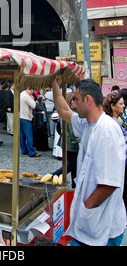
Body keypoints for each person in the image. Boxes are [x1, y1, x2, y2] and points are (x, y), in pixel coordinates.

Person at [52, 78, 126, 246]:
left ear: (88, 100)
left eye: (76, 99)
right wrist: (54, 84)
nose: (73, 104)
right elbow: (64, 111)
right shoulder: (88, 124)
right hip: (89, 226)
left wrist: (87, 207)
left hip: (101, 228)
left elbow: (109, 183)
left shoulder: (107, 131)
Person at [103, 91, 127, 212]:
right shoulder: (111, 123)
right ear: (112, 105)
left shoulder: (116, 120)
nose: (124, 106)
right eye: (121, 103)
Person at [52, 92, 80, 188]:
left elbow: (60, 128)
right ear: (71, 101)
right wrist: (79, 142)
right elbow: (74, 132)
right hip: (72, 144)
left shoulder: (65, 112)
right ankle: (53, 175)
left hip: (67, 142)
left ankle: (74, 186)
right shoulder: (72, 114)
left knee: (74, 167)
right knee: (72, 165)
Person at [19, 88, 41, 157]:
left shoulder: (20, 94)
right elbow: (34, 106)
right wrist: (32, 99)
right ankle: (32, 152)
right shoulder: (26, 96)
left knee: (21, 135)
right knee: (29, 135)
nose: (32, 92)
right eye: (31, 91)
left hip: (20, 116)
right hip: (26, 117)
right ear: (27, 89)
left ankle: (24, 150)